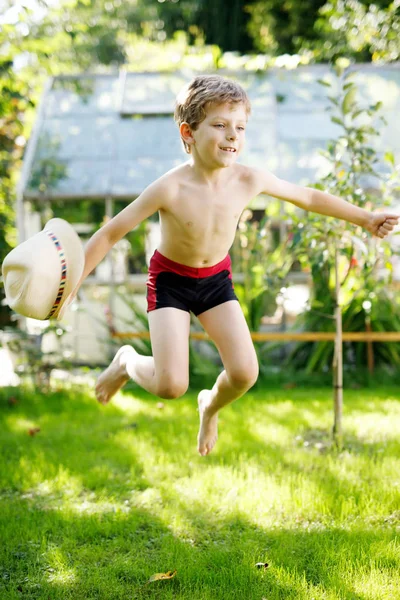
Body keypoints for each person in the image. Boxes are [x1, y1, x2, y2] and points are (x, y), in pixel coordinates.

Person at [70, 74, 398, 457]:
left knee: (245, 373)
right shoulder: (169, 188)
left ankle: (210, 407)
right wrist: (76, 278)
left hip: (214, 281)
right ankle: (127, 362)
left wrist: (365, 217)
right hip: (170, 281)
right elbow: (111, 233)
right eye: (220, 125)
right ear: (188, 132)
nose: (232, 136)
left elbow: (306, 196)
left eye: (240, 127)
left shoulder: (248, 178)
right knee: (170, 386)